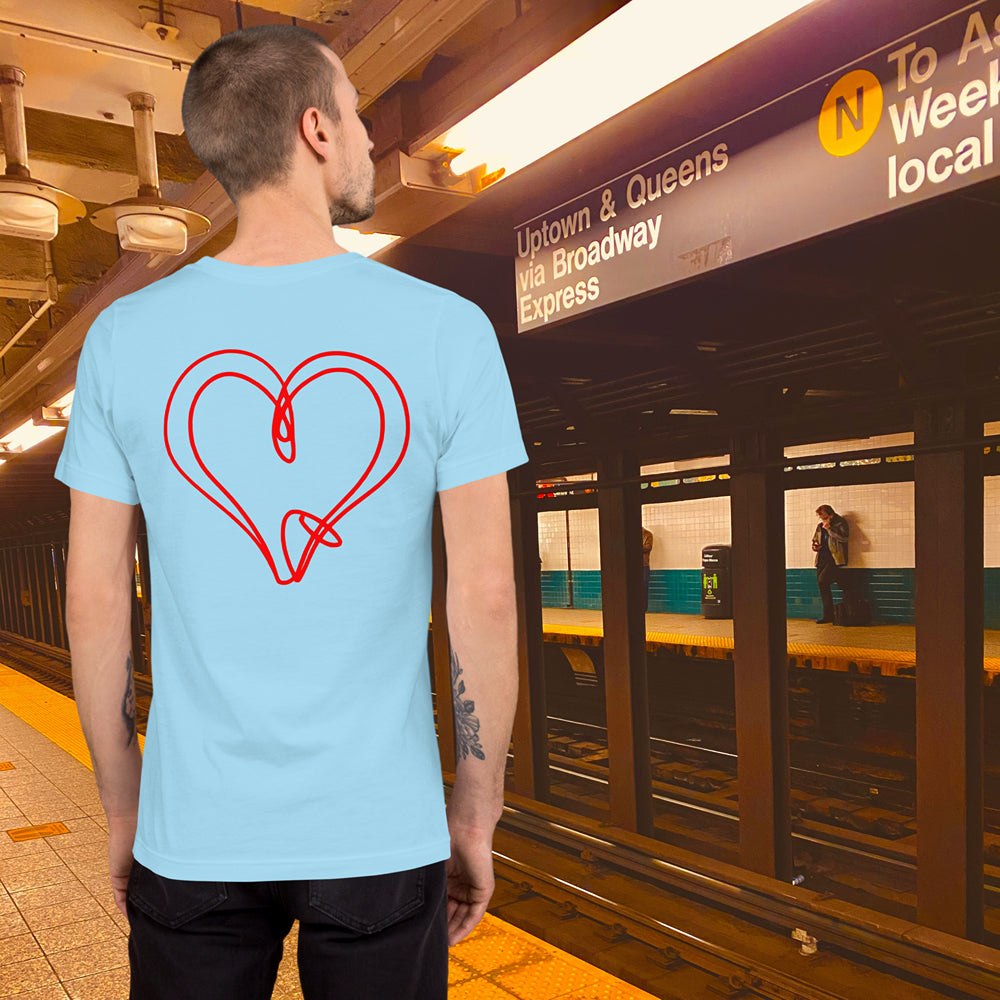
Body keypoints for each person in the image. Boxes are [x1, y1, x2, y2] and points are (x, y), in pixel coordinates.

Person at [54, 23, 528, 1000]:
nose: (361, 139)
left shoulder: (125, 340)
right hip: (379, 831)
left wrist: (120, 803)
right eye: (355, 116)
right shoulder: (445, 332)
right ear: (316, 130)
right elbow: (482, 592)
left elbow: (96, 596)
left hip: (195, 831)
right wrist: (473, 816)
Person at [811, 503, 849, 624]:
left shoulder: (840, 523)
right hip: (821, 557)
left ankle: (838, 612)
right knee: (823, 587)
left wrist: (830, 529)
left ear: (831, 515)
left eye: (823, 516)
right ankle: (828, 615)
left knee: (823, 580)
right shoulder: (820, 526)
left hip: (834, 558)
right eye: (820, 517)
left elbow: (844, 538)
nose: (822, 519)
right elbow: (815, 539)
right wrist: (815, 546)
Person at [641, 525, 653, 612]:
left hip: (644, 565)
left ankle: (644, 608)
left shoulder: (647, 534)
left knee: (644, 587)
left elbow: (648, 548)